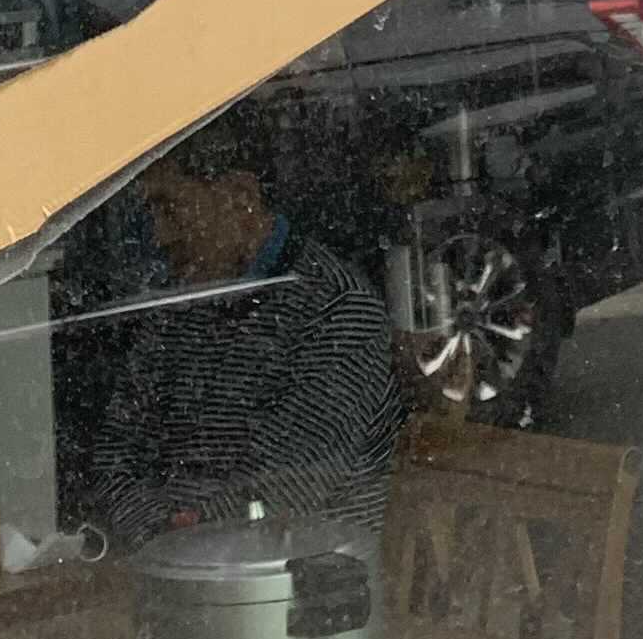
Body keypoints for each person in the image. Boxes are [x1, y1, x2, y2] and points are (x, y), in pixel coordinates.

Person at [91, 106, 407, 550]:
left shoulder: (337, 311)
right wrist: (154, 537)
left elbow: (283, 495)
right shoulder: (181, 304)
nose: (160, 236)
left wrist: (173, 541)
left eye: (170, 209)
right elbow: (114, 453)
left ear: (240, 198)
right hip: (174, 560)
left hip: (294, 575)